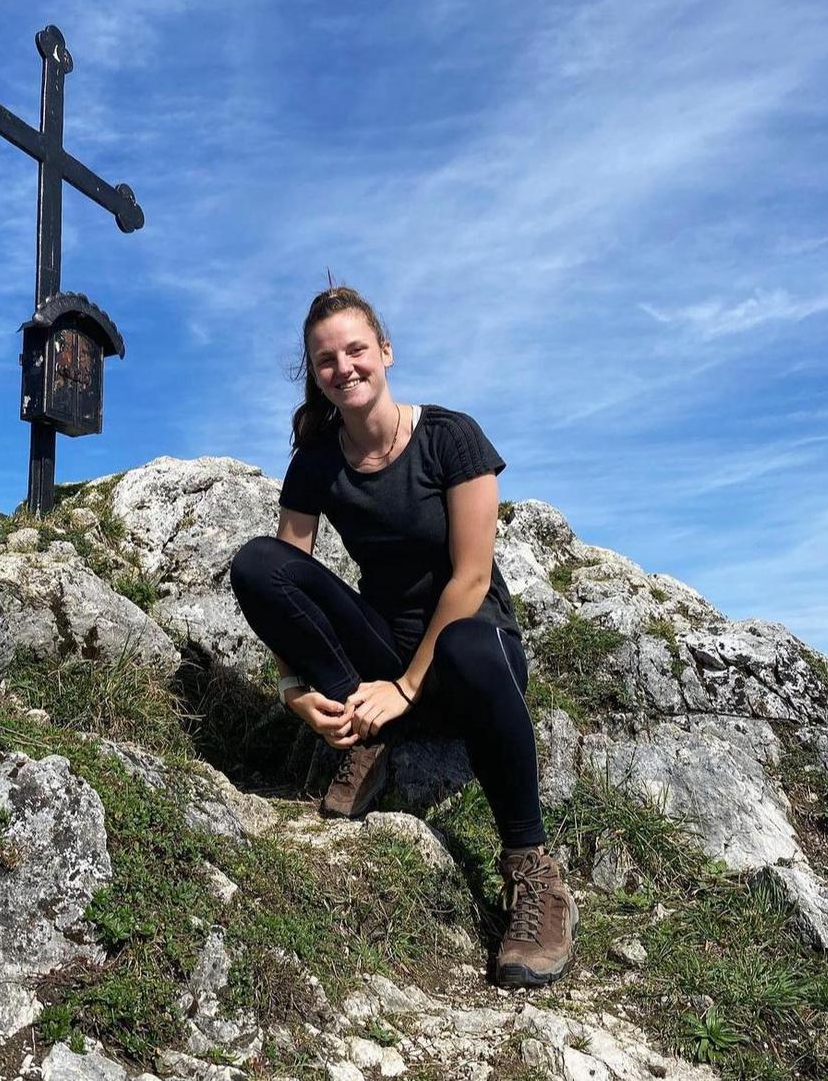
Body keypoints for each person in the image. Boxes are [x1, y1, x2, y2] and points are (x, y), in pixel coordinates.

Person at [229, 285, 577, 988]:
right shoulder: (317, 458)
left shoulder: (450, 438)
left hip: (471, 655)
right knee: (255, 563)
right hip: (384, 654)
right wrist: (294, 686)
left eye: (356, 350)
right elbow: (286, 572)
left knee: (465, 640)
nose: (344, 368)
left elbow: (471, 578)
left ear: (385, 352)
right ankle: (363, 729)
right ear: (314, 373)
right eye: (326, 359)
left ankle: (533, 869)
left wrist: (407, 687)